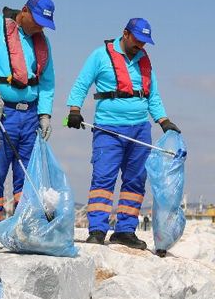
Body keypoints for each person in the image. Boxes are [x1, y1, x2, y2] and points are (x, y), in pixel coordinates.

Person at [66, 18, 180, 250]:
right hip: (108, 128)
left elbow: (153, 95)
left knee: (136, 180)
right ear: (125, 34)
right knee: (103, 178)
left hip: (139, 128)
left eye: (145, 43)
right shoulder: (100, 56)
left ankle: (125, 231)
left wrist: (163, 120)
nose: (141, 47)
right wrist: (74, 110)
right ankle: (97, 230)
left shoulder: (144, 60)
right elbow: (81, 84)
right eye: (138, 41)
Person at [0, 0, 56, 254]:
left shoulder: (42, 42)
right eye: (37, 21)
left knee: (27, 178)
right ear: (24, 11)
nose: (39, 28)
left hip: (29, 115)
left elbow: (48, 82)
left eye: (44, 24)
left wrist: (44, 114)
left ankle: (24, 229)